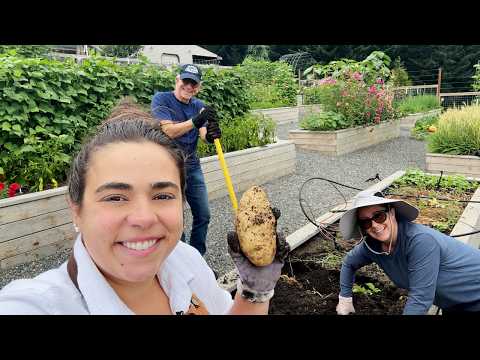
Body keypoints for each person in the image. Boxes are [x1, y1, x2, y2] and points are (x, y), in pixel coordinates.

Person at [0, 102, 288, 315]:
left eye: (162, 196)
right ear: (76, 210)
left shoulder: (185, 259)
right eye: (115, 197)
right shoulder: (35, 305)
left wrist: (254, 291)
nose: (143, 218)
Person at [335, 191, 480, 315]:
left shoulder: (420, 241)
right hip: (453, 304)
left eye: (379, 216)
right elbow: (349, 263)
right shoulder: (372, 247)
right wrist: (345, 298)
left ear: (391, 213)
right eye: (366, 222)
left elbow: (420, 298)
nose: (374, 225)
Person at [151, 64, 220, 256]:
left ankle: (196, 257)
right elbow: (169, 131)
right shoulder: (161, 99)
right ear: (177, 79)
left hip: (192, 166)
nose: (189, 87)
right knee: (175, 218)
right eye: (186, 81)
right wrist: (196, 121)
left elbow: (204, 135)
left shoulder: (198, 106)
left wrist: (211, 135)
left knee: (204, 214)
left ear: (199, 86)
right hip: (169, 168)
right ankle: (179, 259)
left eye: (194, 84)